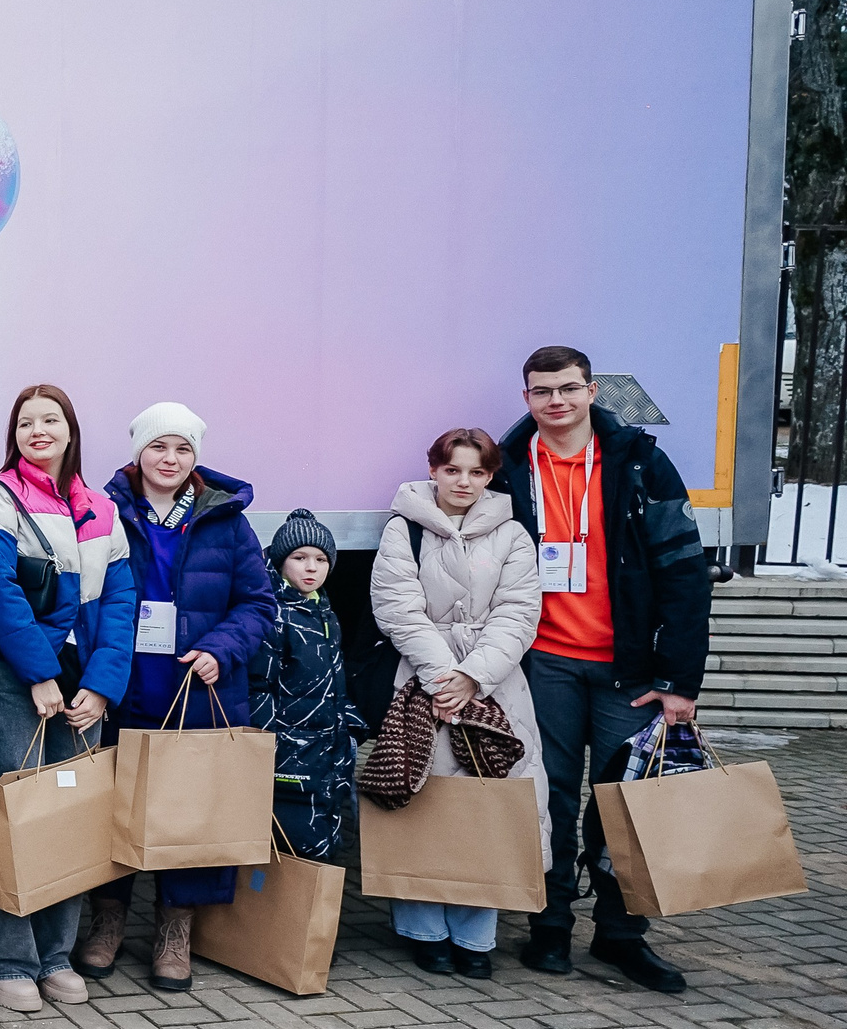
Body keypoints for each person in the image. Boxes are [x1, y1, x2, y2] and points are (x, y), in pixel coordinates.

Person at [491, 345, 711, 993]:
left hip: (630, 672)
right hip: (546, 663)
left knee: (627, 802)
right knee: (551, 797)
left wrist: (679, 682)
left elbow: (684, 575)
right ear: (526, 397)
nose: (554, 401)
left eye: (566, 388)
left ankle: (620, 934)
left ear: (590, 390)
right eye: (540, 391)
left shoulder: (641, 464)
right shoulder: (508, 469)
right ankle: (549, 926)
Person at [81, 404, 278, 993]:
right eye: (159, 447)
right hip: (124, 683)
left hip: (199, 688)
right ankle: (108, 920)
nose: (170, 460)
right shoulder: (106, 510)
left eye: (183, 449)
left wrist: (222, 646)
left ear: (196, 456)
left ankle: (174, 930)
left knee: (192, 808)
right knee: (113, 807)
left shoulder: (225, 520)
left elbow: (259, 603)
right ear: (138, 450)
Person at [0, 385, 135, 1013]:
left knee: (72, 816)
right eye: (26, 421)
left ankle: (56, 953)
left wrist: (99, 686)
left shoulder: (103, 508)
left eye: (51, 420)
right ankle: (9, 958)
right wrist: (40, 674)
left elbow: (121, 603)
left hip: (85, 683)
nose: (39, 430)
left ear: (71, 431)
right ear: (14, 433)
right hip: (18, 681)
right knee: (19, 817)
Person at [368, 432, 548, 979]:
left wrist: (473, 677)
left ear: (490, 476)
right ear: (434, 471)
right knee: (423, 795)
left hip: (495, 685)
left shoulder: (513, 534)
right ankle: (424, 929)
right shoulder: (405, 528)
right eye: (453, 471)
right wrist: (441, 674)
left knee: (487, 802)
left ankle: (476, 932)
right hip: (423, 680)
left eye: (476, 472)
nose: (464, 482)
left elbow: (520, 612)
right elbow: (397, 604)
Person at [249, 509, 362, 864]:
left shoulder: (325, 614)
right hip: (288, 759)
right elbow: (259, 687)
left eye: (321, 559)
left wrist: (349, 729)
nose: (311, 567)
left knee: (321, 851)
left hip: (325, 757)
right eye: (299, 558)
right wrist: (265, 749)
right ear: (281, 561)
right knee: (286, 854)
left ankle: (308, 919)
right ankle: (279, 919)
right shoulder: (273, 615)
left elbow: (334, 684)